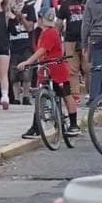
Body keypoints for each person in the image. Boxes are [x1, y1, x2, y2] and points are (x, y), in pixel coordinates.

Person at [18, 10, 80, 139]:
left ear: (41, 20)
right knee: (41, 98)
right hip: (46, 69)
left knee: (66, 95)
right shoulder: (44, 33)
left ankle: (74, 125)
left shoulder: (51, 33)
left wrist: (28, 61)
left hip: (56, 70)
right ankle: (36, 127)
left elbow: (42, 50)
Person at [57, 0, 89, 103]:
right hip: (70, 39)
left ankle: (90, 93)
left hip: (87, 39)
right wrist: (57, 36)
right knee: (72, 69)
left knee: (88, 68)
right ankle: (75, 95)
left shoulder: (90, 1)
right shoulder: (66, 3)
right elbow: (59, 22)